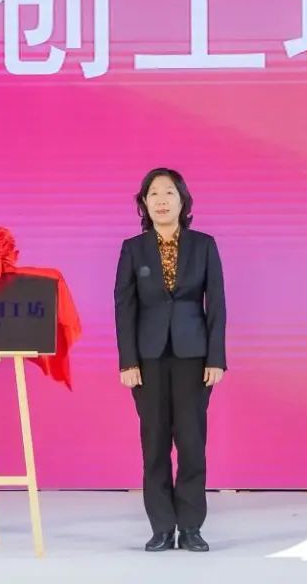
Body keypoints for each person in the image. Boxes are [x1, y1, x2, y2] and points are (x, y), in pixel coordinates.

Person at [113, 167, 226, 552]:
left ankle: (191, 527)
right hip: (147, 360)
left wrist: (216, 358)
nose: (161, 200)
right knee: (155, 442)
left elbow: (217, 305)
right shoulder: (133, 248)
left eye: (169, 193)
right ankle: (162, 527)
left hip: (194, 357)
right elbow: (124, 307)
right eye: (154, 194)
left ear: (182, 201)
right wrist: (128, 362)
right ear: (144, 203)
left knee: (192, 442)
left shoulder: (204, 245)